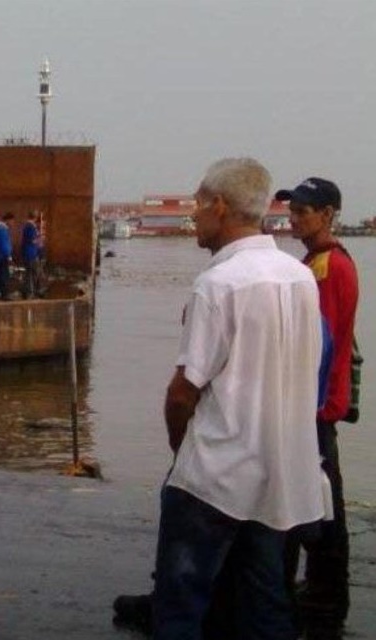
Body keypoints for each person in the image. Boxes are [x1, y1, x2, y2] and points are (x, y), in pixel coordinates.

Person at [151, 158, 327, 638]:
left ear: (220, 207)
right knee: (265, 602)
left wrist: (180, 449)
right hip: (277, 473)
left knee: (181, 603)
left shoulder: (218, 283)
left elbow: (183, 391)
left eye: (197, 205)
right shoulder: (299, 278)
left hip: (216, 476)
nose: (193, 216)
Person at [278, 177, 359, 625]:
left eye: (304, 210)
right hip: (321, 401)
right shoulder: (320, 261)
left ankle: (327, 596)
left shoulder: (326, 266)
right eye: (293, 209)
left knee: (323, 502)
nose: (294, 217)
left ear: (327, 214)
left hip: (316, 404)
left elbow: (319, 342)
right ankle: (322, 588)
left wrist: (297, 402)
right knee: (320, 494)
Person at [0, 213, 14, 300]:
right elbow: (4, 245)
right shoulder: (3, 230)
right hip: (3, 256)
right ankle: (4, 294)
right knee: (4, 275)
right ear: (8, 220)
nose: (12, 223)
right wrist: (8, 256)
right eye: (12, 221)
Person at [21, 212, 42, 298]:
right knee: (33, 273)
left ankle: (28, 291)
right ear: (35, 218)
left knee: (29, 273)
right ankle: (31, 292)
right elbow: (32, 240)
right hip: (31, 254)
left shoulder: (26, 226)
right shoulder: (30, 227)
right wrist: (39, 240)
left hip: (27, 253)